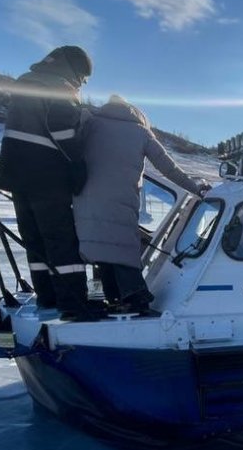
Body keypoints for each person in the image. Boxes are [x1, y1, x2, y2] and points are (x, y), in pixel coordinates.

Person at [74, 95, 207, 315]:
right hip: (122, 200)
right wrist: (195, 188)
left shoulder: (90, 123)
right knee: (121, 246)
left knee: (100, 246)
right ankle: (136, 298)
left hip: (86, 199)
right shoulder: (140, 131)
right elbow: (168, 168)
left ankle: (114, 297)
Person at [0, 45, 93, 320]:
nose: (81, 84)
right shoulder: (59, 87)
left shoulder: (27, 83)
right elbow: (62, 128)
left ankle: (48, 297)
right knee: (60, 239)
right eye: (82, 79)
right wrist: (77, 161)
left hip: (17, 176)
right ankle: (74, 303)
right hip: (47, 175)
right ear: (73, 70)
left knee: (35, 240)